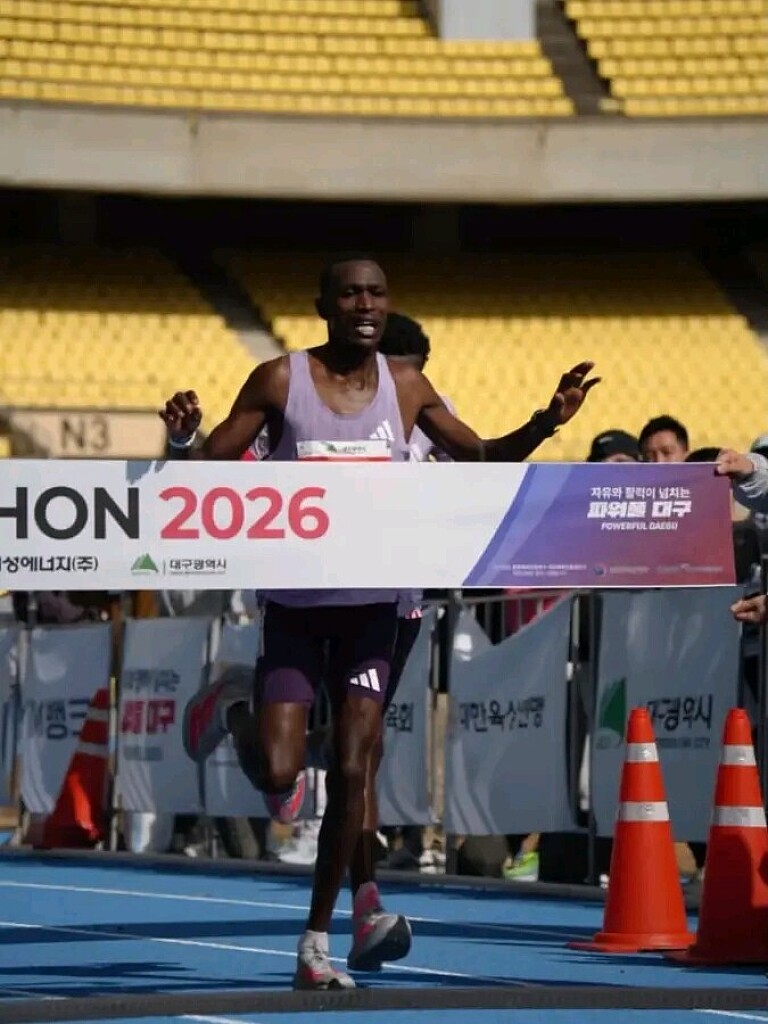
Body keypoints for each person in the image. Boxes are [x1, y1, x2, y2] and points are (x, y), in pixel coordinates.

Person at [160, 253, 599, 991]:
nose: (365, 304)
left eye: (376, 293)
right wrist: (181, 441)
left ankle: (316, 942)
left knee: (354, 768)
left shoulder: (407, 386)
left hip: (376, 611)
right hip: (297, 609)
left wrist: (545, 421)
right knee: (280, 771)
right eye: (350, 294)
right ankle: (237, 713)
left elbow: (481, 456)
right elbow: (209, 469)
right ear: (324, 306)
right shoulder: (279, 380)